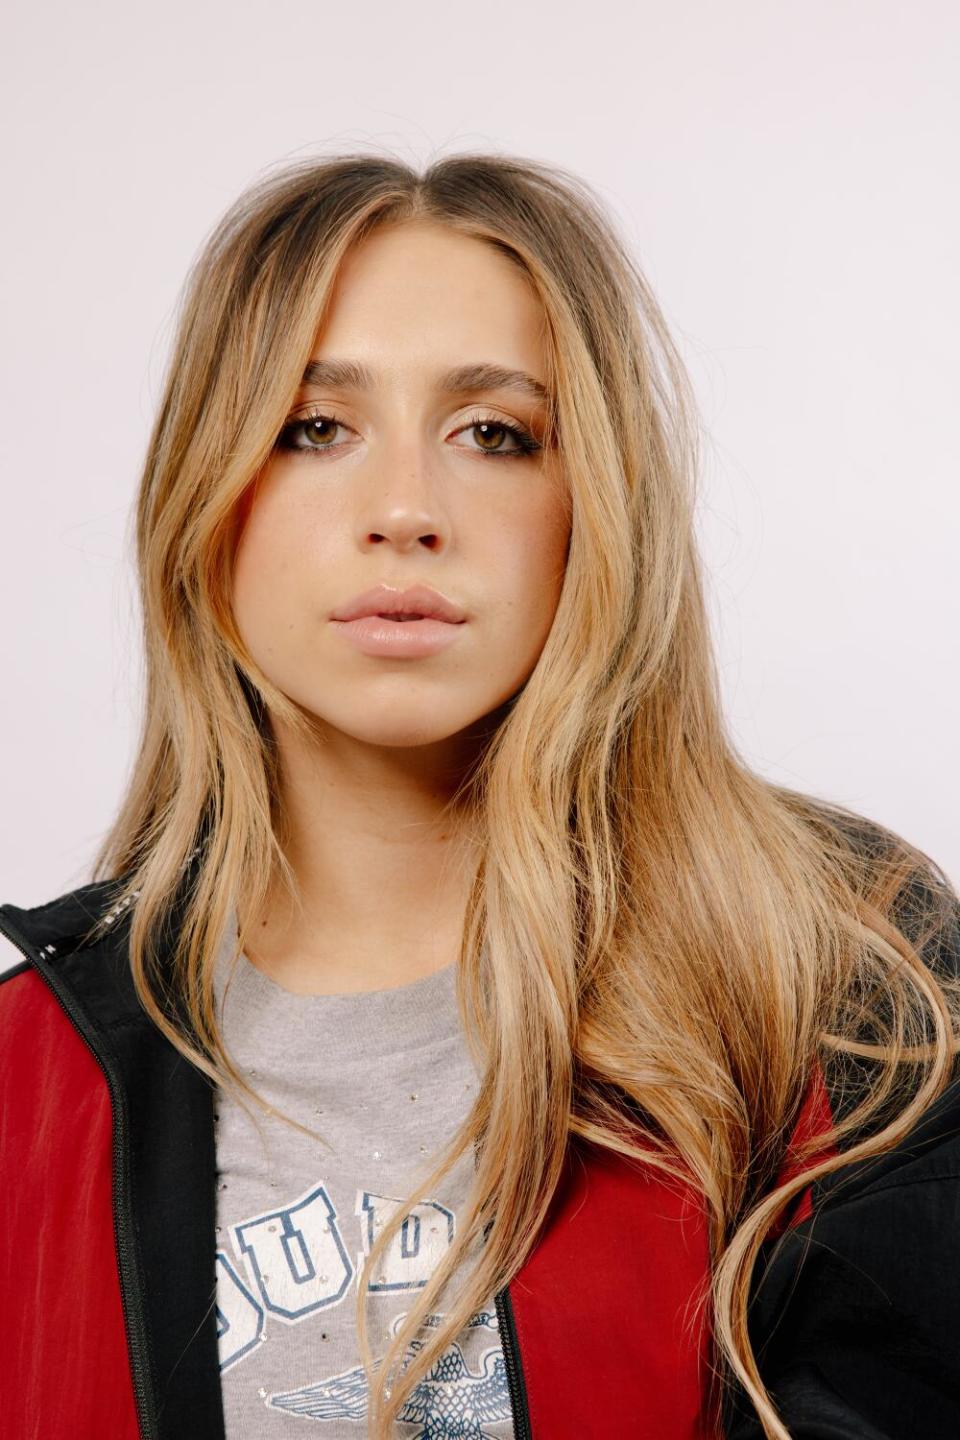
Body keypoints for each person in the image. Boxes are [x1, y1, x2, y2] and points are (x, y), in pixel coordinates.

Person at [1, 152, 958, 1440]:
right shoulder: (31, 1077)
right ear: (207, 497)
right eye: (313, 427)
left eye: (496, 434)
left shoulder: (837, 973)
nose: (404, 509)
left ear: (594, 502)